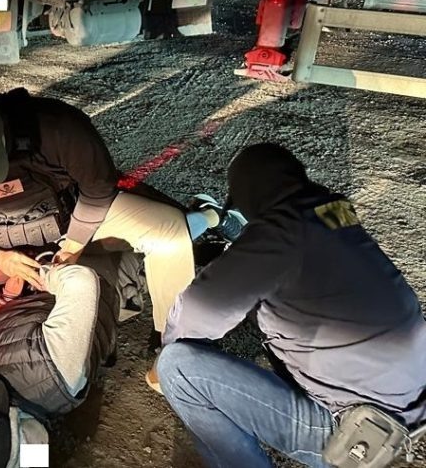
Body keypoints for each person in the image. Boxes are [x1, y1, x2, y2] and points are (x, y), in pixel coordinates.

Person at [155, 143, 426, 468]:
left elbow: (198, 311)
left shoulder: (280, 233)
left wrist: (161, 357)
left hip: (359, 434)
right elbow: (298, 253)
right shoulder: (334, 211)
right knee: (275, 311)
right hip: (408, 402)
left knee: (177, 368)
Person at [0, 89, 195, 348]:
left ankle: (175, 343)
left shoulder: (57, 126)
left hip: (71, 223)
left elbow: (98, 188)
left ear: (2, 132)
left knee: (168, 228)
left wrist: (75, 243)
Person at [0, 252, 135, 467]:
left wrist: (41, 275)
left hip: (80, 278)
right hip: (43, 287)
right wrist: (6, 297)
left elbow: (81, 281)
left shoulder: (57, 374)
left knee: (121, 253)